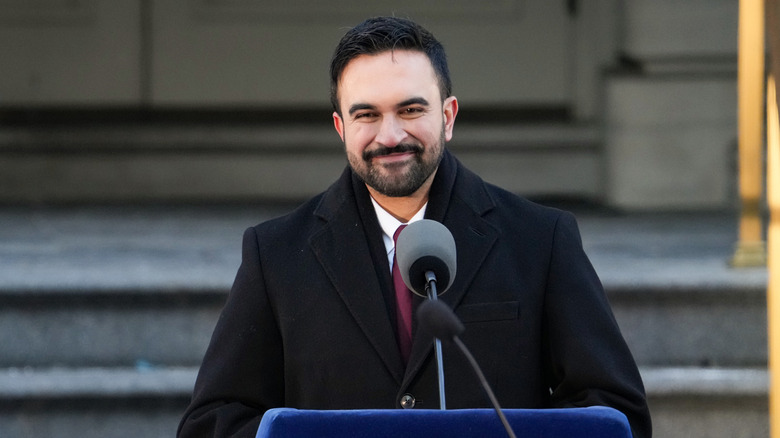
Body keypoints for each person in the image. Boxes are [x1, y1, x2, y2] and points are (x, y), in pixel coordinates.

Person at [177, 16, 652, 438]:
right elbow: (212, 421)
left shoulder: (541, 239)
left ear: (447, 117)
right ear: (342, 128)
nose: (390, 135)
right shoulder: (275, 253)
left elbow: (616, 412)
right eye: (367, 114)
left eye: (410, 110)